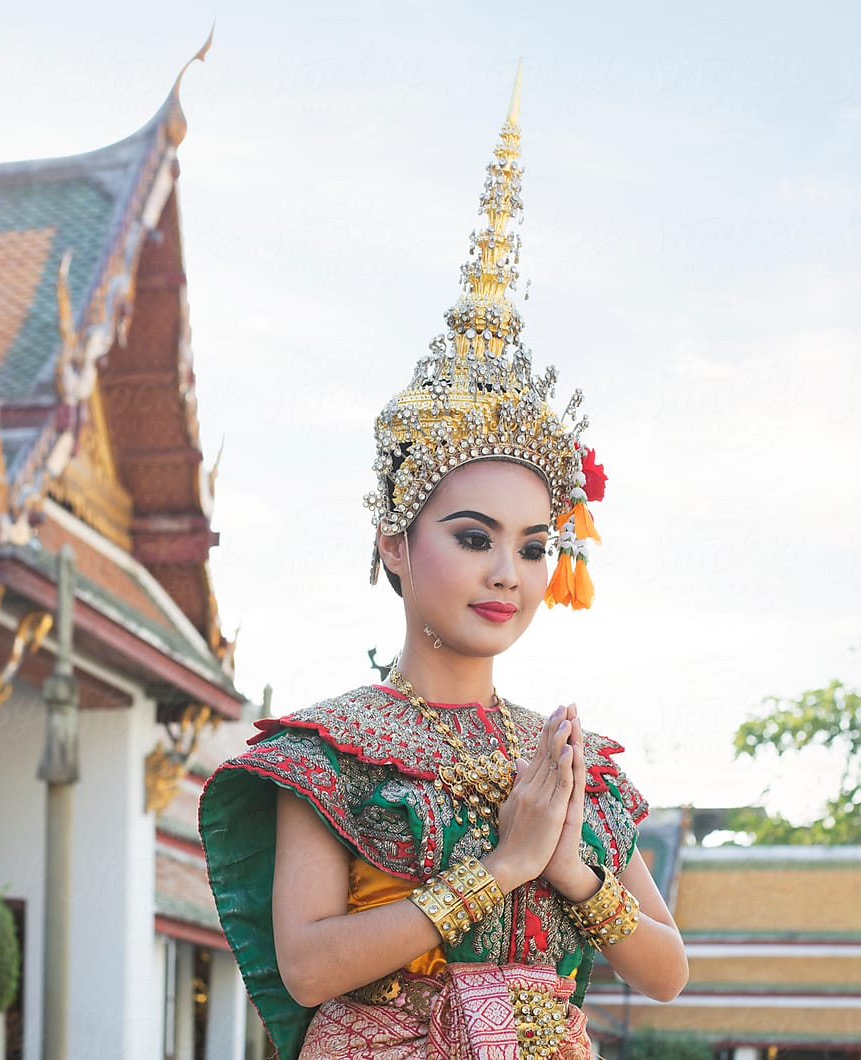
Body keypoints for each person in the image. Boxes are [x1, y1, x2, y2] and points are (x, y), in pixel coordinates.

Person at [199, 72, 688, 1060]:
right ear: (393, 542)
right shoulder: (330, 749)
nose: (507, 571)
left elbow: (669, 968)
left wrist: (571, 870)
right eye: (474, 536)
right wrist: (503, 865)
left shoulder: (569, 766)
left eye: (534, 545)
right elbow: (307, 962)